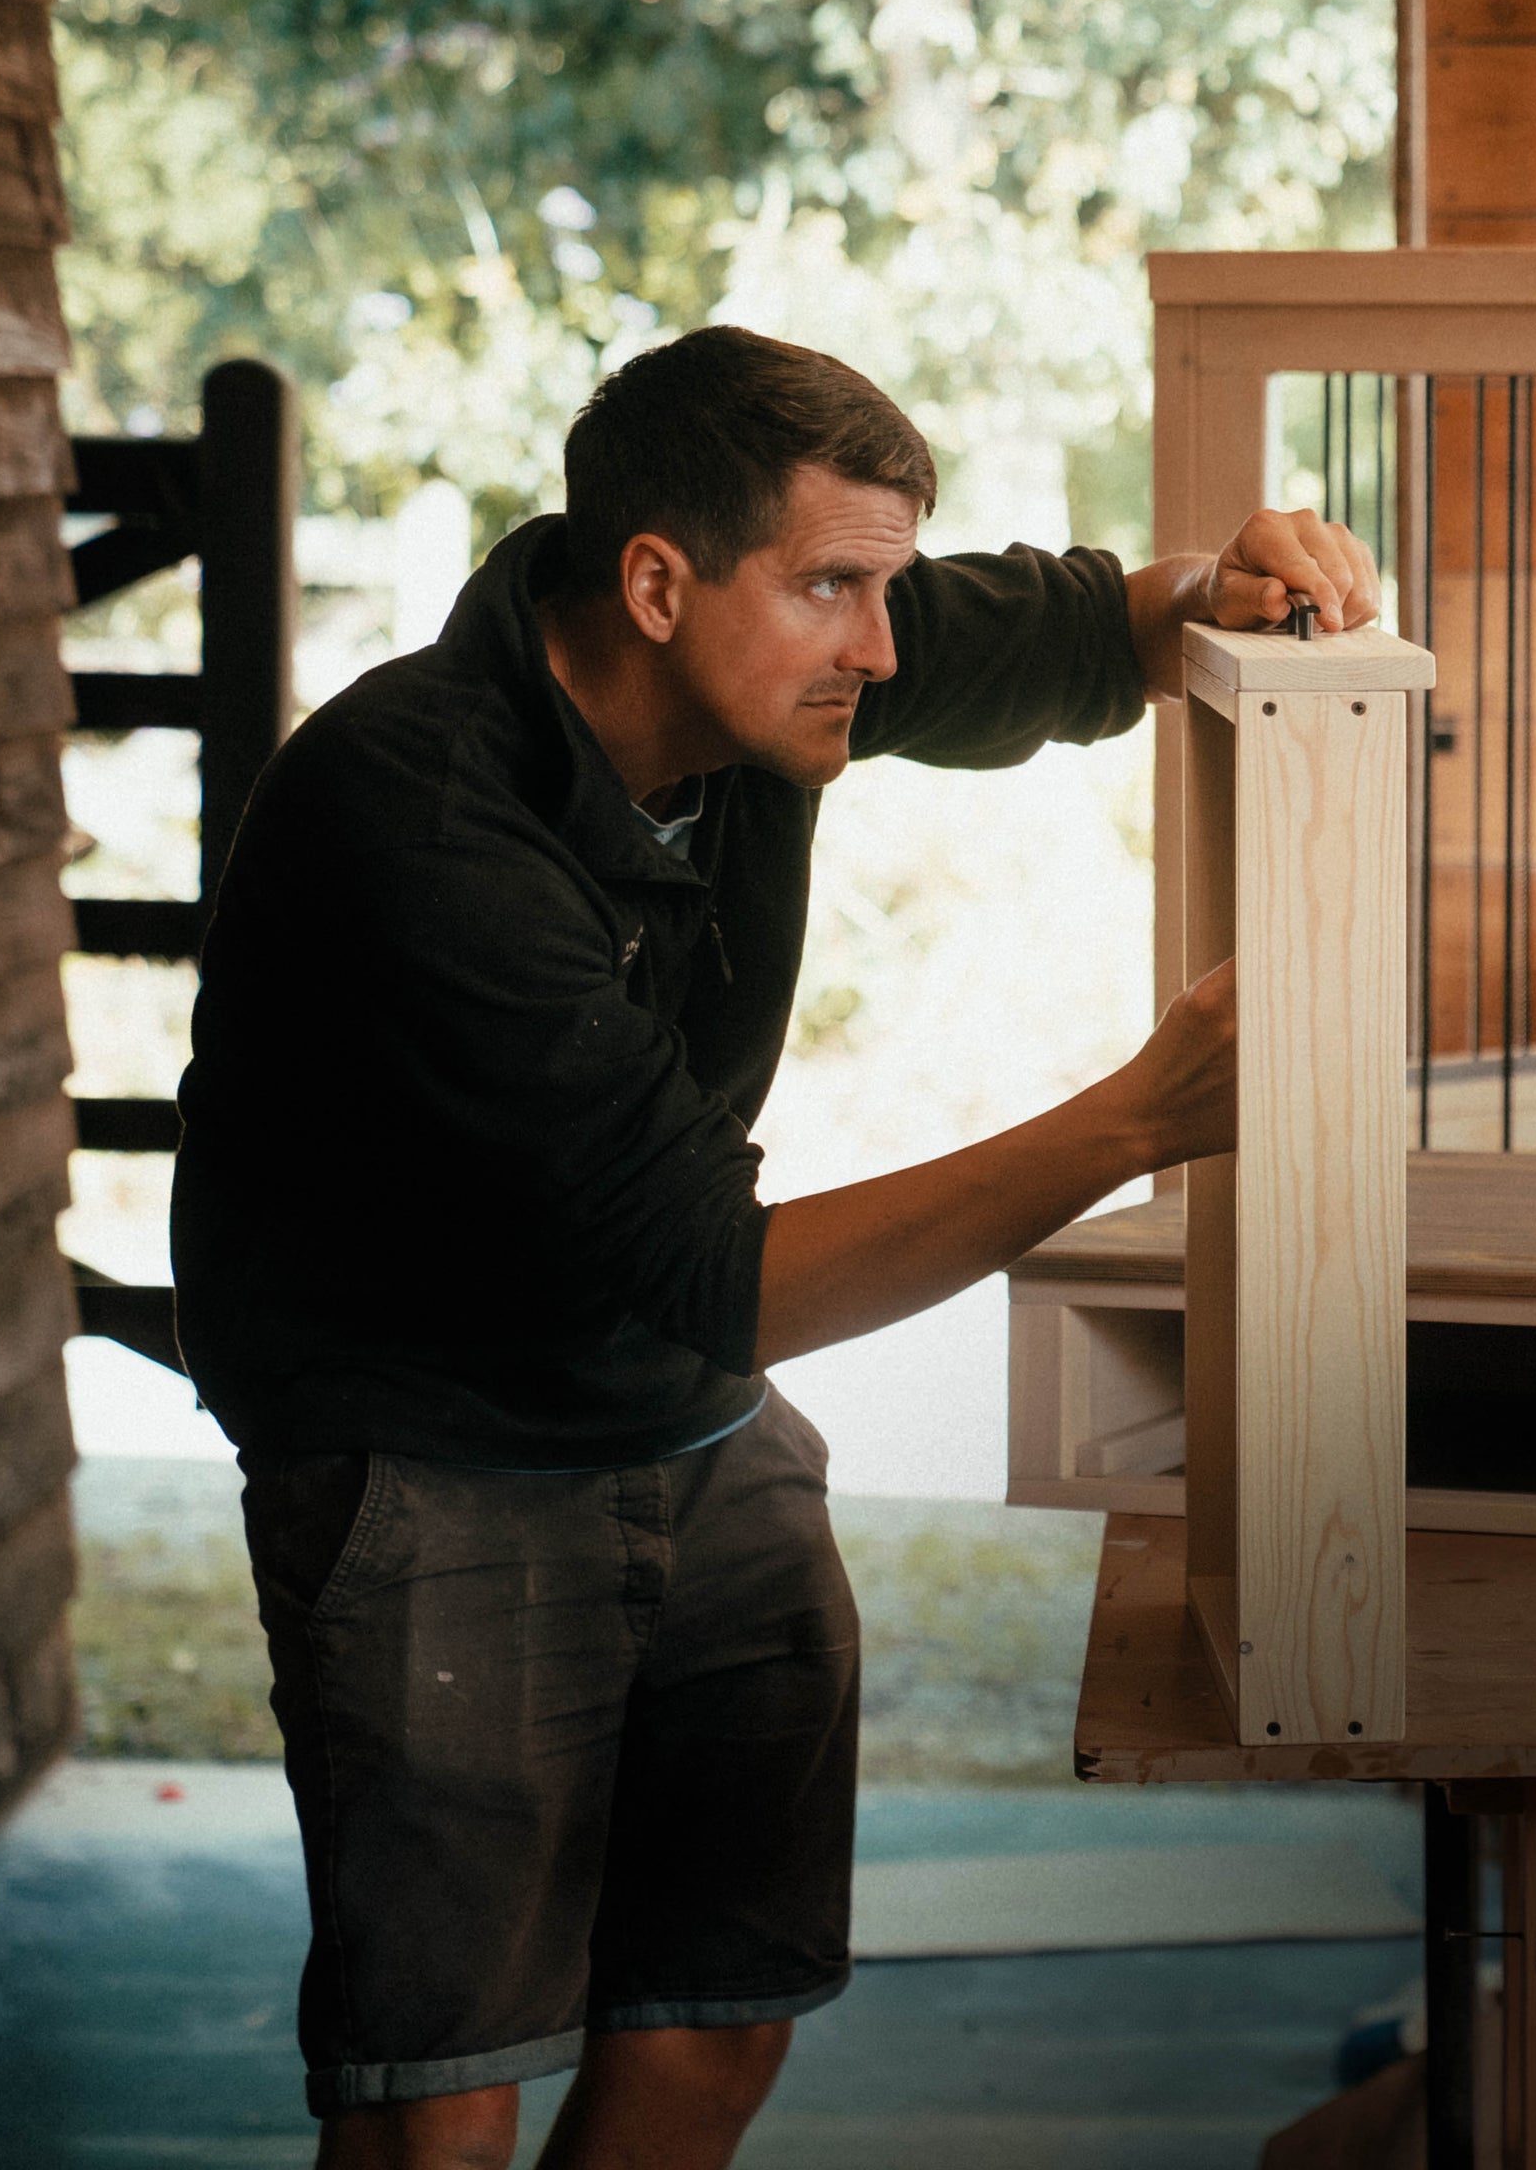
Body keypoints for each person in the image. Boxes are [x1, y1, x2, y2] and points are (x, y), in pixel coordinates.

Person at [170, 325, 1376, 2169]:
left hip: (681, 1414)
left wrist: (1214, 583)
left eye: (885, 585)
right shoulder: (418, 819)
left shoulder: (770, 670)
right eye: (836, 588)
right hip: (432, 1458)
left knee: (714, 2025)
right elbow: (718, 1275)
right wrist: (1138, 1119)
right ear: (656, 582)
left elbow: (1064, 634)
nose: (880, 650)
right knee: (445, 2106)